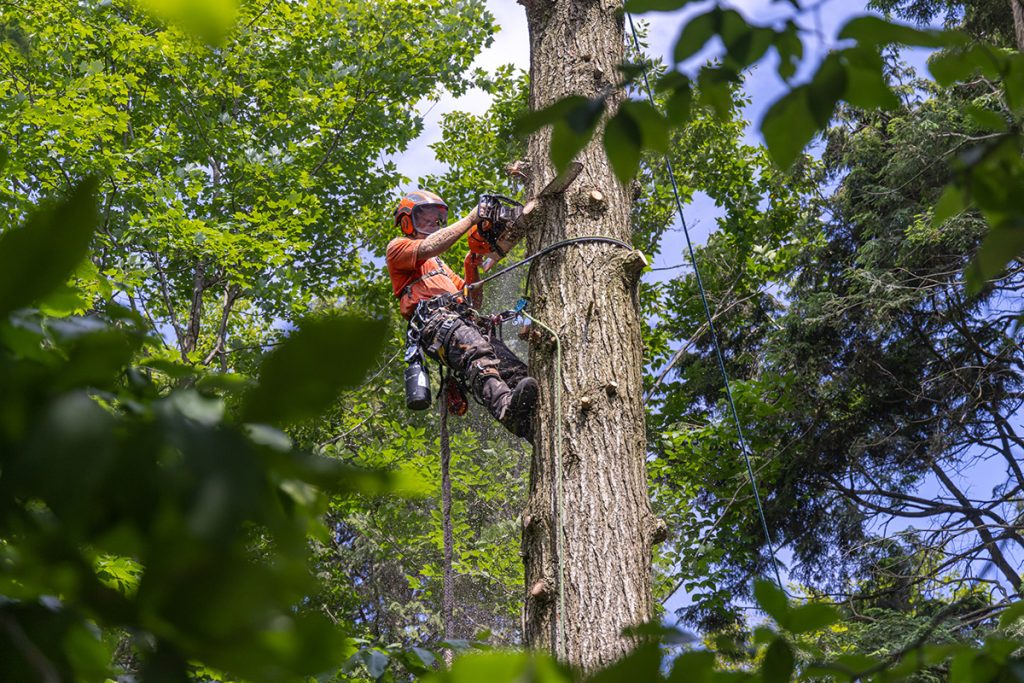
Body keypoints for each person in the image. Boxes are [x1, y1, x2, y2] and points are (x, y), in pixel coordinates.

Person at [386, 189, 538, 441]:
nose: (434, 223)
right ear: (406, 221)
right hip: (436, 323)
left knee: (511, 368)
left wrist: (472, 264)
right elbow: (430, 246)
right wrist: (470, 219)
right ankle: (506, 408)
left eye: (438, 218)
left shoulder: (442, 268)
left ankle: (531, 424)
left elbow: (472, 301)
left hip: (464, 321)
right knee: (476, 351)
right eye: (426, 217)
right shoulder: (399, 248)